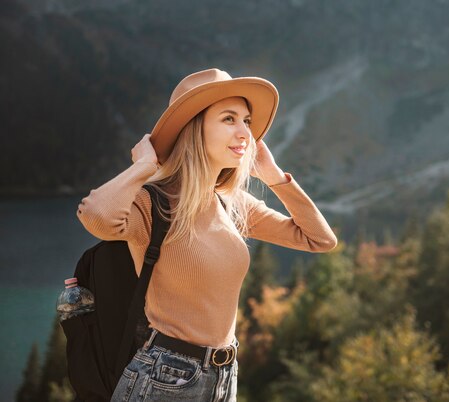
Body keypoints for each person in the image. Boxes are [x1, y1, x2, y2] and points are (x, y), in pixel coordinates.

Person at [76, 68, 337, 401]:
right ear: (193, 130)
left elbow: (319, 239)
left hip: (224, 376)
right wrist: (144, 167)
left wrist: (273, 176)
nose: (246, 132)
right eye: (229, 119)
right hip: (164, 377)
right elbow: (95, 216)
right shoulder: (155, 203)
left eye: (247, 121)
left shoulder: (232, 202)